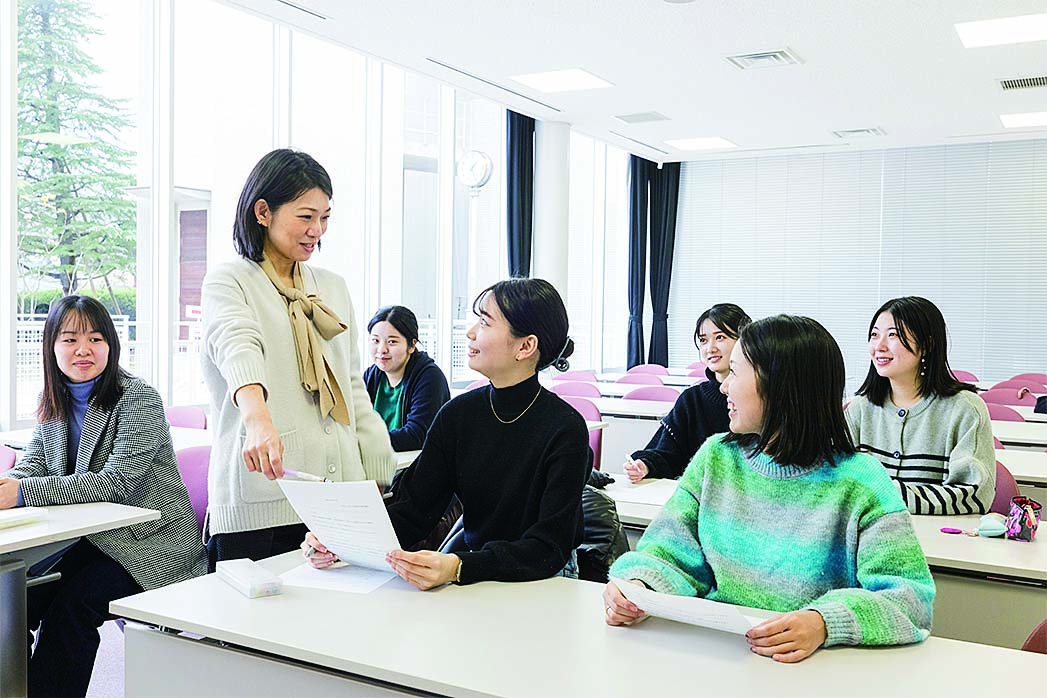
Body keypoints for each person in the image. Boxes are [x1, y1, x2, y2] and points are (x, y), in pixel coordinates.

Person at [603, 315, 935, 664]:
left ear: (780, 386)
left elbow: (910, 598)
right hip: (720, 656)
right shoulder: (717, 458)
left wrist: (823, 623)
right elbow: (667, 552)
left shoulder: (861, 481)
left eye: (736, 373)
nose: (723, 387)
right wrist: (638, 587)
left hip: (814, 670)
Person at [304, 278, 592, 589]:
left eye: (484, 322)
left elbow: (548, 548)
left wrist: (458, 566)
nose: (470, 332)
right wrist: (339, 538)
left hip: (548, 583)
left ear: (525, 346)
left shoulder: (565, 428)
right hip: (476, 572)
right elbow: (414, 510)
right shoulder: (458, 415)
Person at [0, 295, 206, 697]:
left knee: (71, 610)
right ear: (51, 347)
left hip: (150, 545)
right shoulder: (53, 401)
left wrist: (22, 492)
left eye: (95, 338)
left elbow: (117, 483)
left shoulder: (137, 398)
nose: (83, 350)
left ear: (111, 346)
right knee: (14, 603)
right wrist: (9, 484)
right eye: (70, 339)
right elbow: (34, 466)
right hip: (92, 539)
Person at [201, 148, 395, 570]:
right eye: (306, 216)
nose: (317, 230)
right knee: (247, 632)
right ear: (264, 211)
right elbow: (237, 347)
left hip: (335, 498)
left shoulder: (332, 287)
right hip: (263, 495)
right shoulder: (230, 280)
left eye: (325, 217)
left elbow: (350, 384)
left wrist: (378, 465)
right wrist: (258, 420)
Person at [846, 296, 995, 515]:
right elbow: (837, 484)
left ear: (926, 345)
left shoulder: (965, 409)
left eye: (893, 335)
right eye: (874, 335)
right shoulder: (860, 409)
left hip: (940, 544)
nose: (879, 346)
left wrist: (886, 492)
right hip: (870, 539)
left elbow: (975, 494)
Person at [624, 303, 751, 482]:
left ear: (744, 340)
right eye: (703, 340)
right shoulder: (692, 399)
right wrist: (645, 465)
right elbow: (668, 453)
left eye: (720, 337)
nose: (710, 348)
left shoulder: (759, 399)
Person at [363, 305, 450, 451]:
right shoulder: (371, 375)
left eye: (392, 342)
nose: (382, 350)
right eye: (375, 341)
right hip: (380, 462)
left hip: (415, 467)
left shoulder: (430, 377)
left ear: (412, 345)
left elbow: (416, 436)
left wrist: (366, 441)